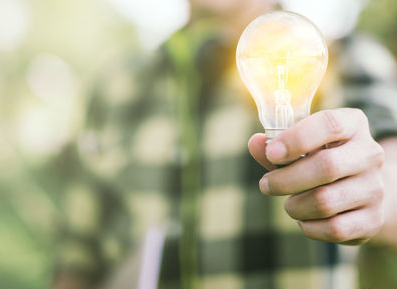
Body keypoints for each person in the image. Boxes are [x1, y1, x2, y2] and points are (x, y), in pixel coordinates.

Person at [54, 0, 397, 288]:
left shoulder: (344, 61)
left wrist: (366, 193)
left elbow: (386, 172)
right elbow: (77, 259)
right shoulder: (117, 88)